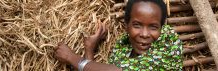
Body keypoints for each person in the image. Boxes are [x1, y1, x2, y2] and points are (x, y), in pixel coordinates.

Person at [54, 0, 183, 71]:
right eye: (137, 25)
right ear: (126, 25)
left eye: (153, 27)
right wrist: (89, 48)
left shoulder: (169, 43)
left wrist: (71, 57)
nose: (144, 34)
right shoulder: (123, 47)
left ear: (162, 27)